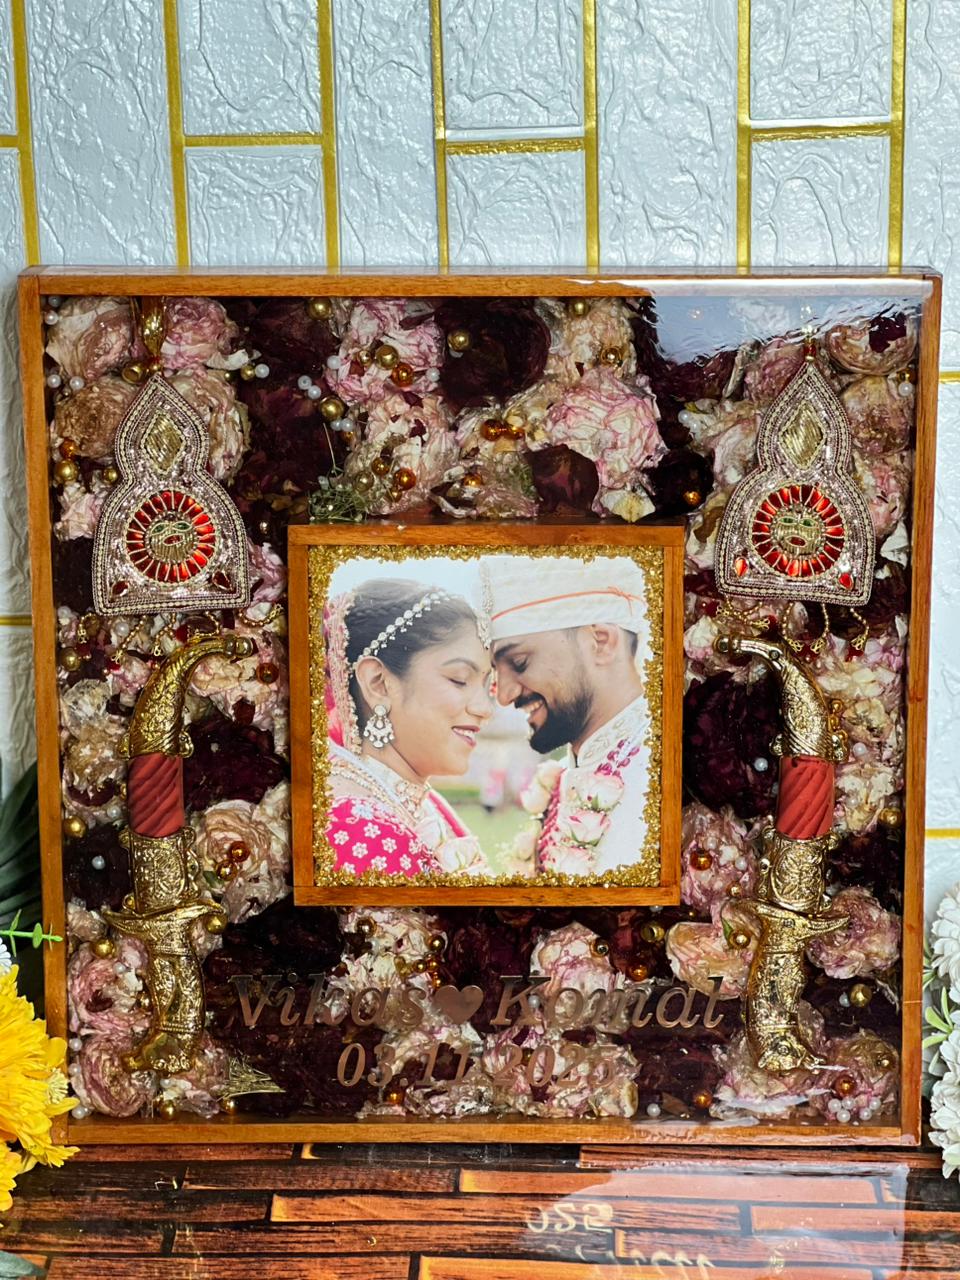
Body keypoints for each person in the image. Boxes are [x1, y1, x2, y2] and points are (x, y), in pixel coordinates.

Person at [482, 557, 652, 876]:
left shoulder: (659, 779)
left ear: (601, 643)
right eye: (495, 671)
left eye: (519, 662)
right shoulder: (566, 776)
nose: (503, 696)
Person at [323, 577, 492, 878]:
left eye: (487, 685)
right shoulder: (357, 825)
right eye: (459, 679)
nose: (485, 709)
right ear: (378, 683)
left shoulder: (424, 803)